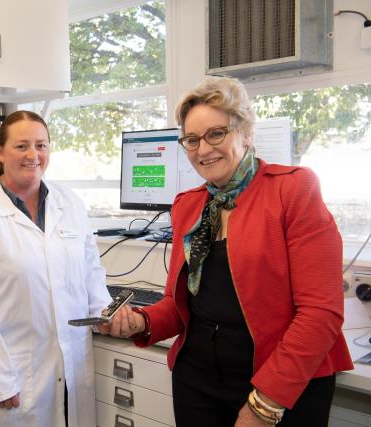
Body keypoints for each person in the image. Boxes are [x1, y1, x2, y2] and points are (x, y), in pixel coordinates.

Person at [101, 76, 353, 426]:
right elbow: (180, 306)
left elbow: (320, 314)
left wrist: (263, 406)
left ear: (246, 134)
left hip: (278, 385)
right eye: (192, 139)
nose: (203, 150)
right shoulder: (189, 207)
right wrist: (141, 322)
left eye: (216, 134)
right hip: (197, 382)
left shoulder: (293, 190)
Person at [0, 110, 112, 427]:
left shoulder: (70, 203)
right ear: (0, 151)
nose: (33, 155)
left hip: (70, 370)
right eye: (22, 146)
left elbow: (90, 269)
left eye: (41, 145)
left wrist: (102, 308)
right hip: (13, 380)